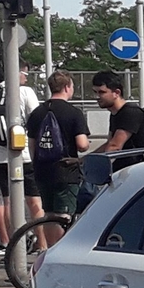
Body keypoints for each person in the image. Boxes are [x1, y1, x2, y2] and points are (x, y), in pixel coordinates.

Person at [0, 63, 40, 258]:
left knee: (8, 201)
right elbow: (36, 118)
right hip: (24, 154)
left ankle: (16, 245)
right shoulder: (25, 92)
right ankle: (42, 244)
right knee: (34, 201)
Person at [26, 71, 91, 244]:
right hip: (66, 170)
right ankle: (59, 251)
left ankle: (49, 250)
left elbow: (32, 144)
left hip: (42, 170)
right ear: (67, 87)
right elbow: (82, 144)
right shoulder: (73, 113)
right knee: (63, 214)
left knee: (48, 213)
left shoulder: (37, 112)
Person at [94, 72, 144, 153]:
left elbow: (114, 146)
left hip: (135, 165)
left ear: (117, 93)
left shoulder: (130, 112)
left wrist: (98, 165)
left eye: (102, 92)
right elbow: (109, 144)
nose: (96, 97)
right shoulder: (115, 113)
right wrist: (83, 160)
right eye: (95, 92)